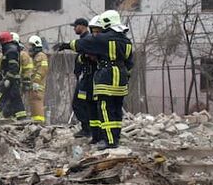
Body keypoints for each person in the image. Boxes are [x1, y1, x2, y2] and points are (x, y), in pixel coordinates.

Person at [56, 10, 133, 148]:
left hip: (106, 77)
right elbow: (129, 64)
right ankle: (115, 139)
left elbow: (81, 44)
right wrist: (125, 77)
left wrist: (66, 45)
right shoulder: (126, 41)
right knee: (116, 111)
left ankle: (109, 142)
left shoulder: (102, 39)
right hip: (120, 79)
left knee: (105, 109)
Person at [0, 32, 27, 121]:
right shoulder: (10, 50)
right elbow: (2, 66)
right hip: (14, 80)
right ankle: (22, 118)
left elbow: (13, 67)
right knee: (16, 99)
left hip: (10, 80)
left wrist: (7, 79)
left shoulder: (11, 51)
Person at [69, 18, 92, 135]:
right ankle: (87, 128)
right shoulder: (84, 40)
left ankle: (87, 129)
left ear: (82, 26)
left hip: (86, 78)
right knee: (81, 103)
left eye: (75, 26)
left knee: (79, 103)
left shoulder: (87, 40)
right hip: (82, 77)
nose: (74, 28)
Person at [26, 35, 49, 123]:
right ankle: (36, 121)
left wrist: (36, 81)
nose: (30, 48)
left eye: (31, 46)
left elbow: (42, 69)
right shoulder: (36, 56)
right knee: (33, 102)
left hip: (38, 85)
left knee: (37, 102)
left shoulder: (41, 56)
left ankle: (39, 122)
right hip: (34, 84)